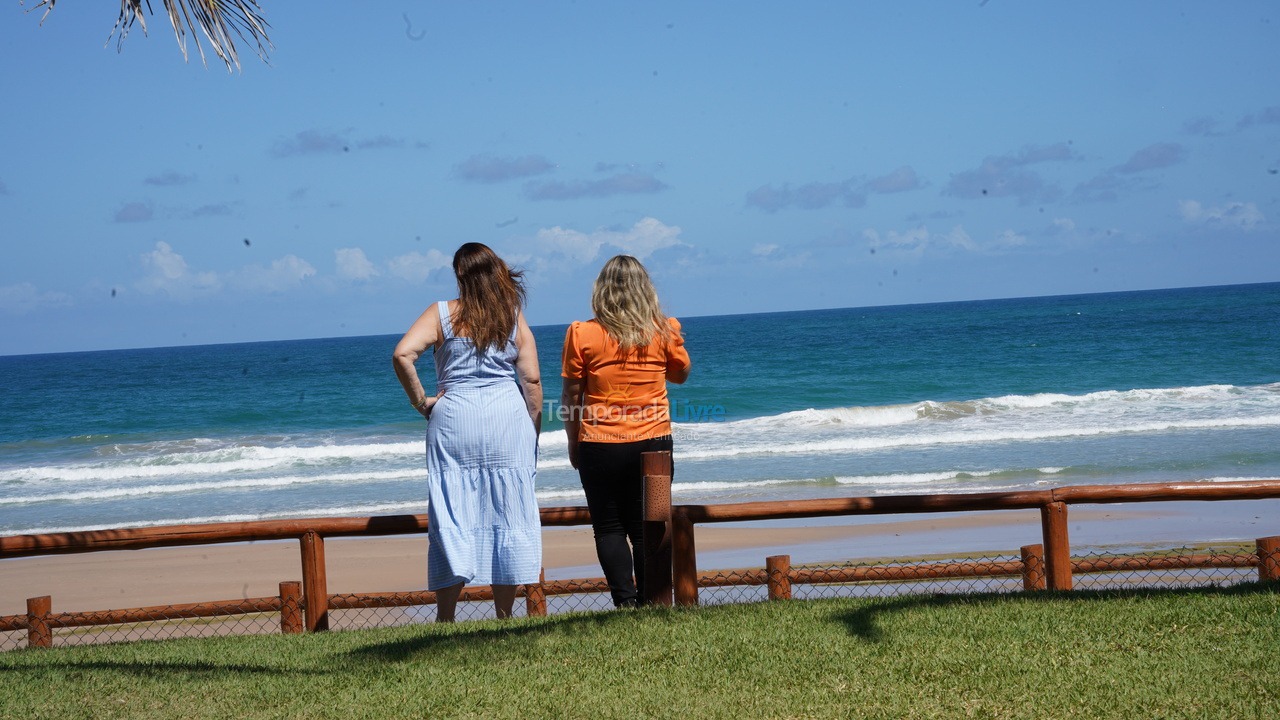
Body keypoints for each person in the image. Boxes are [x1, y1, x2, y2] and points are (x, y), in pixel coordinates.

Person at [393, 243, 543, 621]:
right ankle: (505, 614)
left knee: (452, 512)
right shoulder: (510, 315)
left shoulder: (441, 313)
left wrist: (422, 403)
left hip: (454, 419)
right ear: (497, 272)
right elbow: (531, 380)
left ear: (459, 275)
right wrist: (532, 432)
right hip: (506, 420)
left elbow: (402, 354)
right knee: (507, 512)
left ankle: (446, 617)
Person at [560, 255, 691, 608]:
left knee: (608, 527)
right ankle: (651, 601)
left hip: (599, 444)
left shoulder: (581, 333)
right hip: (654, 443)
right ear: (646, 289)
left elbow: (571, 396)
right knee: (650, 525)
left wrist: (573, 442)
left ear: (601, 290)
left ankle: (625, 602)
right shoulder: (664, 329)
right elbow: (680, 375)